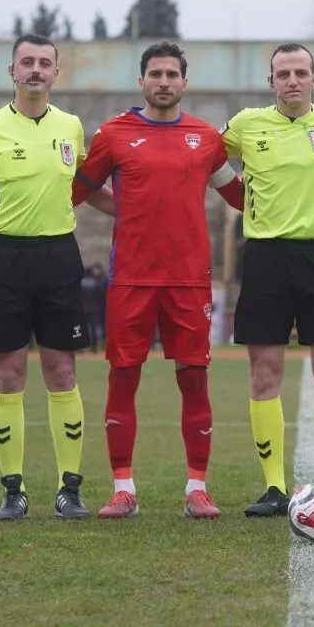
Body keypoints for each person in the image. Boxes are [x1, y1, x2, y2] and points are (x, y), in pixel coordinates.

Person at [71, 42, 248, 520]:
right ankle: (123, 489)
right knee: (123, 377)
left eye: (172, 74)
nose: (164, 82)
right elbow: (78, 190)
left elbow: (237, 196)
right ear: (141, 81)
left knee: (194, 379)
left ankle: (197, 489)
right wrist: (125, 211)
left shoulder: (205, 138)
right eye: (156, 74)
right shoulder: (113, 135)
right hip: (131, 276)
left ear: (185, 82)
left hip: (189, 279)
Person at [0, 33, 99, 522]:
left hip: (58, 257)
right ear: (11, 70)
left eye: (44, 63)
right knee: (8, 375)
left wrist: (140, 210)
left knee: (63, 373)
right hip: (4, 259)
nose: (35, 69)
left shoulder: (71, 127)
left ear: (56, 73)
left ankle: (69, 489)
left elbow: (86, 188)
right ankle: (13, 490)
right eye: (26, 62)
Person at [221, 43, 314, 518]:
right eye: (283, 73)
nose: (292, 81)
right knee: (264, 371)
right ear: (271, 81)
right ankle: (273, 488)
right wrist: (237, 194)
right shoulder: (246, 124)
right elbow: (205, 156)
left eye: (301, 72)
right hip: (266, 257)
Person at [79, 265, 108, 352]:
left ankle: (80, 347)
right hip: (95, 308)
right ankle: (94, 347)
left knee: (82, 328)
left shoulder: (81, 283)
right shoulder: (96, 283)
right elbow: (102, 296)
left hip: (84, 308)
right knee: (94, 328)